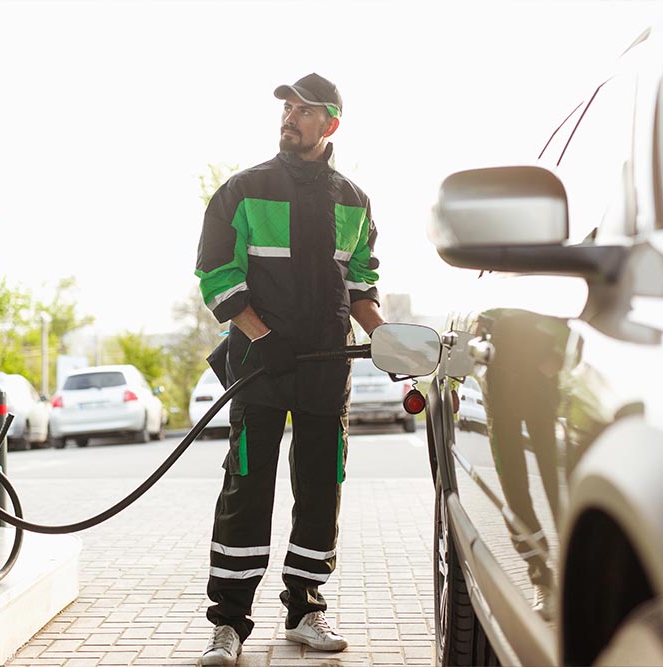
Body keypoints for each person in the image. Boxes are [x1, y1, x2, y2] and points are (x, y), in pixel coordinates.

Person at [193, 73, 385, 666]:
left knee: (321, 486)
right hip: (260, 365)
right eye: (286, 108)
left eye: (304, 110)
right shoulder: (243, 191)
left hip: (329, 368)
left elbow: (362, 286)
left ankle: (305, 608)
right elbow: (216, 274)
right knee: (247, 487)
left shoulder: (354, 200)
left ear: (330, 123)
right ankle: (228, 623)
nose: (290, 117)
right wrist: (261, 336)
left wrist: (391, 342)